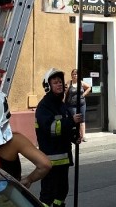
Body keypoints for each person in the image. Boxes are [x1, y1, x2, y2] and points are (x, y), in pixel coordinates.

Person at [35, 68, 82, 207]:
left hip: (64, 159)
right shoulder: (44, 107)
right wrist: (71, 121)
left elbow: (66, 129)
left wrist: (74, 136)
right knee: (48, 194)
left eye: (60, 82)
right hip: (50, 162)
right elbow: (52, 129)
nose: (59, 84)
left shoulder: (62, 105)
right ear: (48, 86)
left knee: (62, 192)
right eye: (55, 82)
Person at [65, 69, 91, 142]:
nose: (75, 75)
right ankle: (77, 135)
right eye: (73, 74)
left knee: (82, 119)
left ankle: (83, 136)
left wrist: (83, 94)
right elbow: (65, 92)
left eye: (76, 74)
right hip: (72, 105)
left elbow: (89, 87)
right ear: (71, 75)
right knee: (76, 119)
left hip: (82, 104)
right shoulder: (69, 83)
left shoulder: (81, 83)